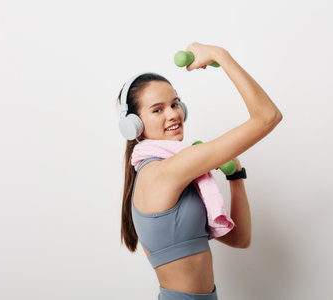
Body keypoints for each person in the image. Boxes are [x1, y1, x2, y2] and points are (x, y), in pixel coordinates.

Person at [118, 42, 283, 300]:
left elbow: (240, 238)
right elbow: (267, 116)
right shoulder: (162, 173)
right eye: (157, 109)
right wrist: (221, 56)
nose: (172, 114)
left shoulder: (178, 173)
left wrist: (235, 174)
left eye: (175, 104)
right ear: (134, 125)